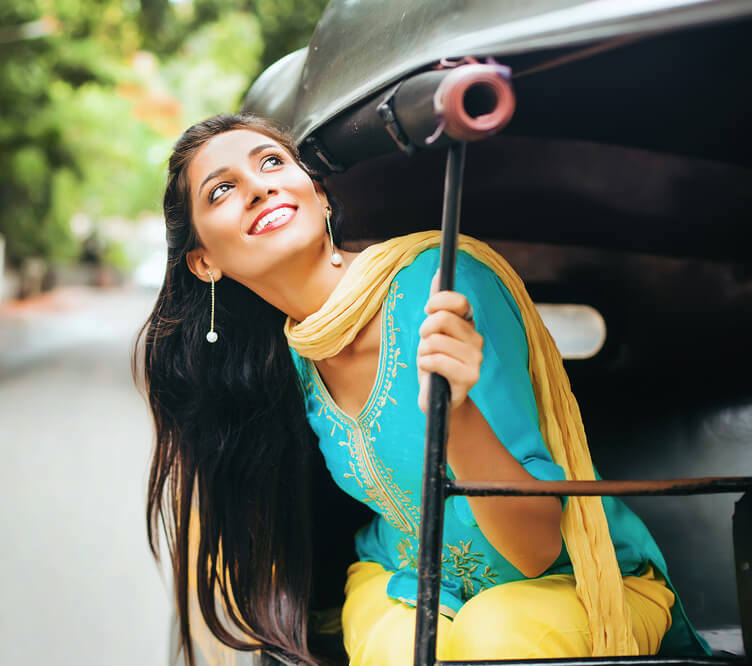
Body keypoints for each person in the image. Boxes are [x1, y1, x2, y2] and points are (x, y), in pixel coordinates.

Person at [136, 113, 708, 666]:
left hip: (571, 580)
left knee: (496, 639)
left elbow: (535, 551)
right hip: (410, 581)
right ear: (204, 262)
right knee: (397, 646)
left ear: (321, 195)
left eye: (271, 162)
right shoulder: (288, 356)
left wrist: (455, 416)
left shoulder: (442, 285)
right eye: (222, 190)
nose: (259, 188)